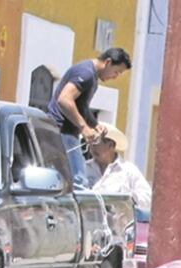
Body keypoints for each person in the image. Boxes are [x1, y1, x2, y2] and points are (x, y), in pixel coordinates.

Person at [85, 124, 153, 268]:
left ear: (111, 145)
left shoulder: (128, 172)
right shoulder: (85, 168)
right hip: (93, 238)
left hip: (120, 239)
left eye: (98, 143)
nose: (93, 148)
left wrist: (127, 199)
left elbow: (146, 198)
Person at [48, 47, 132, 187]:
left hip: (64, 133)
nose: (115, 77)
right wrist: (84, 128)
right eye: (116, 71)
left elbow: (81, 107)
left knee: (66, 181)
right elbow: (64, 99)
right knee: (78, 181)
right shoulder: (86, 73)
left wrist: (94, 124)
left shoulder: (91, 77)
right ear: (108, 62)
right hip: (62, 132)